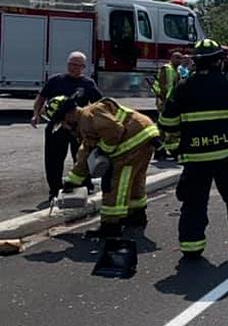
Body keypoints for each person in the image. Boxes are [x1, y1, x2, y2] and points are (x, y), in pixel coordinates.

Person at [159, 39, 228, 259]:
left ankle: (191, 248)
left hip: (195, 159)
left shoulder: (182, 88)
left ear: (196, 63)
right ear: (220, 61)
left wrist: (175, 147)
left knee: (193, 203)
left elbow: (167, 122)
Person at [44, 93, 159, 236]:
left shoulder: (88, 116)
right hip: (145, 139)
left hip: (131, 145)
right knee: (136, 180)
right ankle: (136, 216)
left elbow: (114, 132)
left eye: (61, 122)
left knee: (114, 184)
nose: (64, 127)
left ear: (67, 115)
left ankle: (110, 226)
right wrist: (73, 181)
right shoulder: (85, 119)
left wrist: (103, 151)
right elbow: (86, 152)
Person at [32, 52, 103, 204]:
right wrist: (35, 114)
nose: (74, 67)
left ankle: (84, 185)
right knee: (53, 160)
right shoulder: (56, 80)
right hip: (56, 127)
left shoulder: (88, 84)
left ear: (83, 67)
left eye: (77, 65)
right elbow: (41, 98)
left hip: (79, 128)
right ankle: (55, 190)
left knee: (82, 157)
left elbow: (99, 105)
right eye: (71, 64)